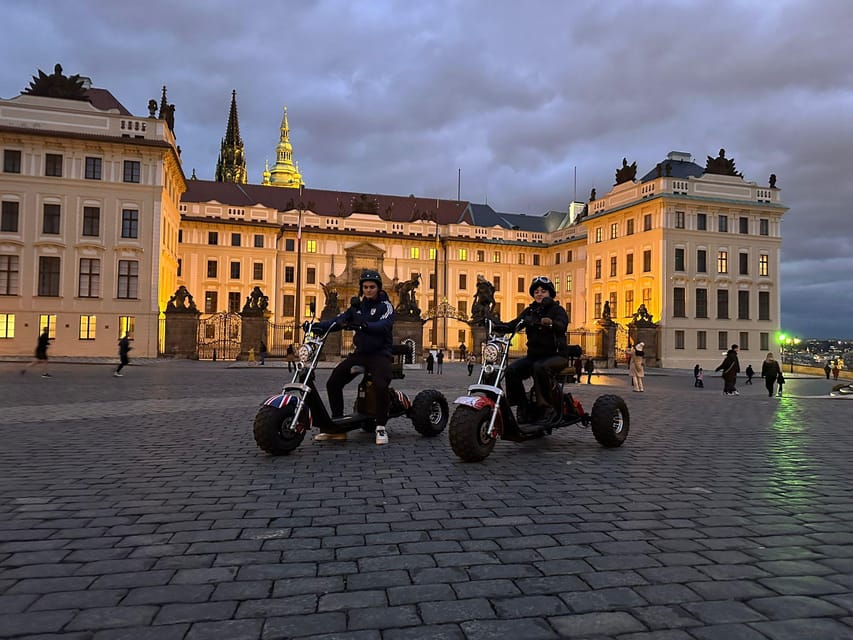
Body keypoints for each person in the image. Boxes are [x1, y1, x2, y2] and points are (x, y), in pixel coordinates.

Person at [308, 270, 394, 445]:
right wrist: (316, 326)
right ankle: (337, 426)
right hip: (360, 354)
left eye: (372, 287)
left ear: (378, 288)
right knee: (333, 382)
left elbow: (384, 324)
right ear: (361, 289)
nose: (369, 290)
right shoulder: (357, 307)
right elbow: (339, 320)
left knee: (380, 385)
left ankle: (381, 427)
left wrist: (364, 325)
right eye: (365, 287)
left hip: (379, 354)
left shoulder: (386, 306)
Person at [497, 276, 570, 425]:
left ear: (550, 293)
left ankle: (547, 408)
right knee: (511, 371)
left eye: (543, 291)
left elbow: (562, 325)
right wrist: (494, 323)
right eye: (536, 291)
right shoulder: (530, 311)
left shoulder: (557, 309)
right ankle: (523, 407)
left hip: (556, 356)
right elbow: (513, 325)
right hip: (534, 356)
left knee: (539, 368)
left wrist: (551, 322)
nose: (539, 294)